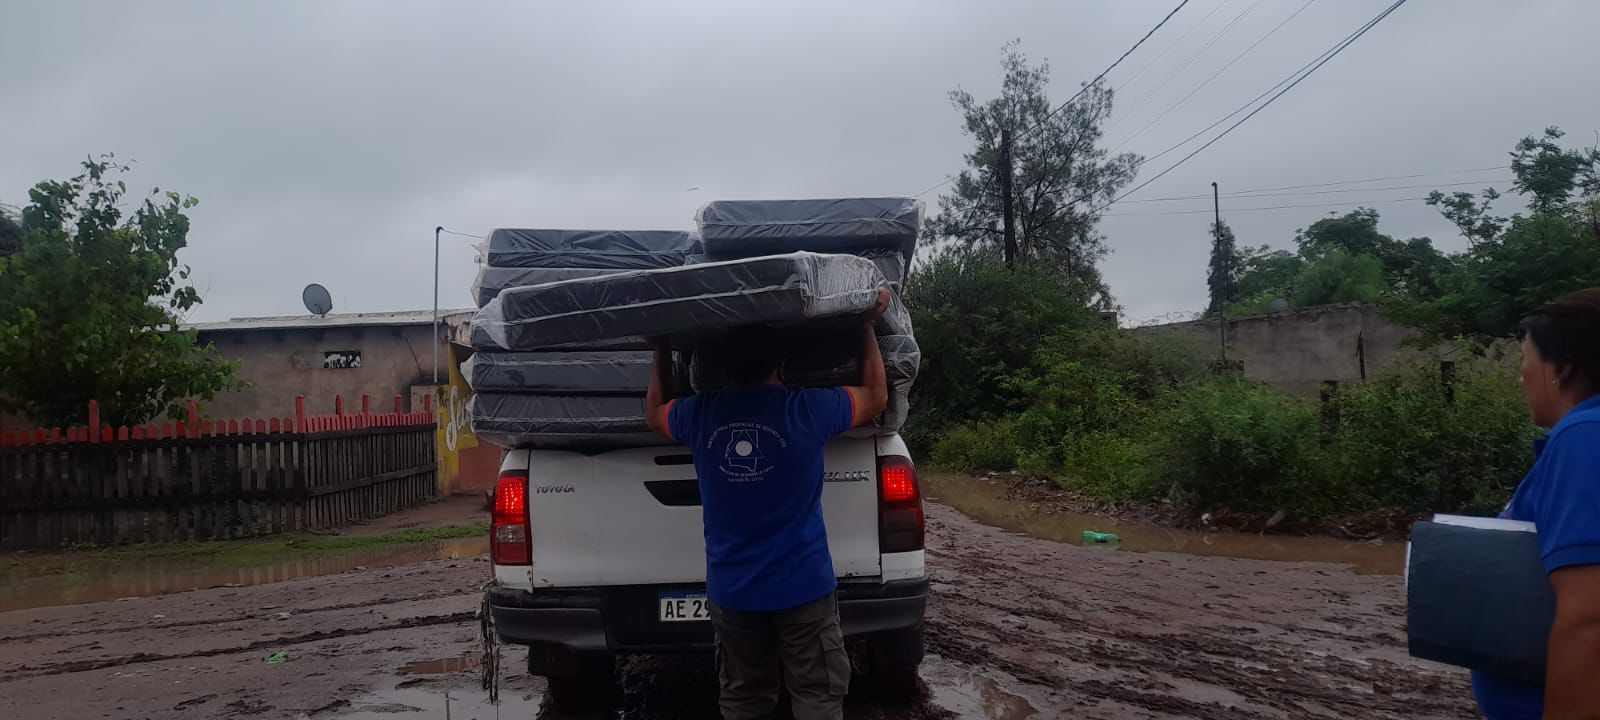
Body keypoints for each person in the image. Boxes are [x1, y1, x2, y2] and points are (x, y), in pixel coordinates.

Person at [643, 289, 892, 720]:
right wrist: (866, 326)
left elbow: (654, 413)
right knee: (817, 694)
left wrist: (662, 349)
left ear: (722, 370)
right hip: (804, 588)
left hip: (733, 592)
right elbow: (875, 397)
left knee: (744, 700)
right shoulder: (811, 409)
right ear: (782, 367)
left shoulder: (698, 415)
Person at [1473, 288, 1600, 720]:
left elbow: (1591, 619)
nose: (1520, 377)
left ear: (1561, 369)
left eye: (1525, 361)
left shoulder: (1585, 435)